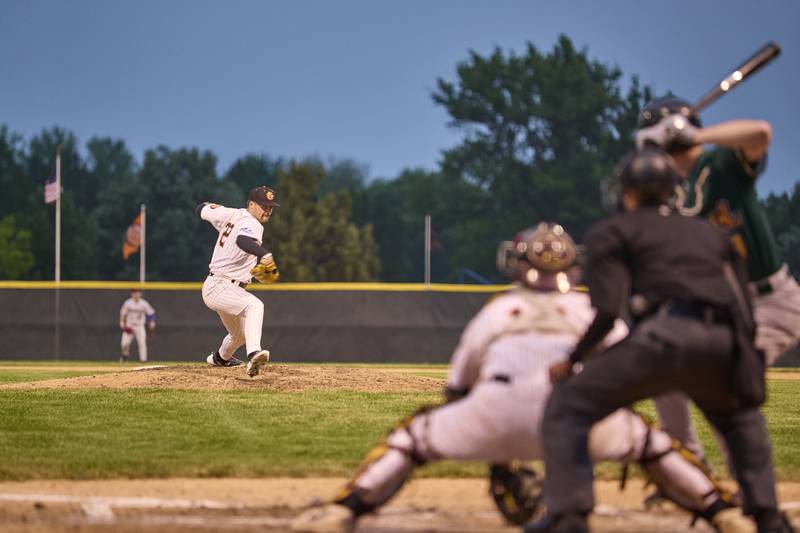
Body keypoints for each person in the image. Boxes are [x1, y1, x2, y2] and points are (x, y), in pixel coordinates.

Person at [290, 222, 751, 533]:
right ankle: (720, 510)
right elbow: (632, 369)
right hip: (577, 421)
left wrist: (494, 449)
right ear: (574, 265)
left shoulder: (498, 310)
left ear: (515, 263)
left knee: (411, 439)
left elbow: (457, 386)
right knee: (652, 444)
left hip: (494, 413)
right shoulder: (591, 309)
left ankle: (344, 508)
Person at [534, 148, 790, 533]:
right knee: (740, 420)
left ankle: (569, 516)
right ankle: (770, 518)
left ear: (629, 193)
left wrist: (573, 360)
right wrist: (742, 357)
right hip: (724, 338)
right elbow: (743, 303)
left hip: (664, 335)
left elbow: (607, 312)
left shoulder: (613, 230)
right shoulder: (708, 231)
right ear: (673, 191)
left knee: (568, 405)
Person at [635, 96, 800, 462]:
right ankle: (689, 467)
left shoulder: (719, 164)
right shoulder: (661, 190)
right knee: (662, 364)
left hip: (770, 302)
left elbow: (760, 133)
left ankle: (751, 487)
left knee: (726, 380)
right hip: (716, 305)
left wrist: (694, 135)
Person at [197, 185, 281, 377]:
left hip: (222, 287)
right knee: (254, 306)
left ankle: (220, 357)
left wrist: (210, 206)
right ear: (251, 204)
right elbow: (243, 240)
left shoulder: (231, 214)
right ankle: (253, 354)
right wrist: (264, 253)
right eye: (263, 205)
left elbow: (200, 208)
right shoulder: (253, 223)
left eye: (270, 206)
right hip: (221, 285)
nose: (267, 209)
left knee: (239, 334)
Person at [119, 288, 156, 362]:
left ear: (140, 294)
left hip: (140, 325)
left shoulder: (144, 303)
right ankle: (125, 355)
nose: (136, 294)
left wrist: (152, 321)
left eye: (137, 292)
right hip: (129, 325)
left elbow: (151, 312)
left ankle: (143, 360)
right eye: (134, 293)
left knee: (142, 342)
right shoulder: (128, 303)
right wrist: (122, 322)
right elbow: (122, 313)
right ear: (131, 294)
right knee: (124, 343)